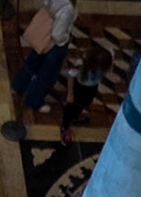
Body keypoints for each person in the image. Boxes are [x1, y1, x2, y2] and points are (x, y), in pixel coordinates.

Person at [8, 0, 78, 133]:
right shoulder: (68, 9)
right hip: (54, 45)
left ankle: (18, 86)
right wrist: (65, 39)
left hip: (43, 33)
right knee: (46, 75)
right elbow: (57, 35)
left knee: (32, 62)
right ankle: (33, 102)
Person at [58, 48, 105, 140]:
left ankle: (77, 114)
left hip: (91, 89)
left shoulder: (102, 65)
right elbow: (71, 76)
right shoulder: (80, 65)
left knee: (85, 103)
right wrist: (70, 94)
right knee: (71, 108)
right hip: (79, 89)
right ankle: (65, 127)